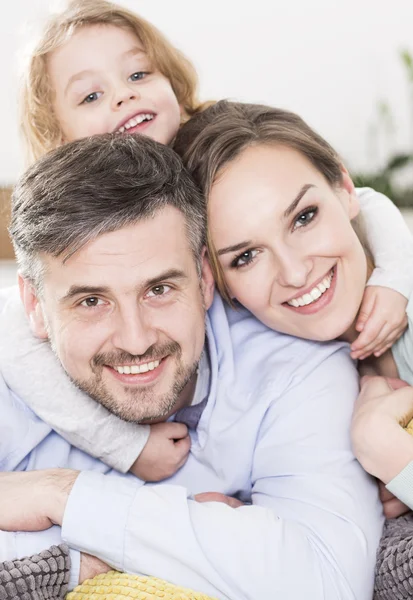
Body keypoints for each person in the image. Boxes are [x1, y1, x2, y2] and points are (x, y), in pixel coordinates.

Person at [3, 0, 413, 481]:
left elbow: (362, 199)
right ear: (59, 144)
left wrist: (395, 278)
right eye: (90, 97)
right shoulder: (75, 237)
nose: (122, 97)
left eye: (138, 75)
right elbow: (15, 333)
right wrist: (123, 446)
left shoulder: (217, 162)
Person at [0, 133, 383, 599]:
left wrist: (61, 495)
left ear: (204, 277)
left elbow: (328, 584)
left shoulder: (299, 371)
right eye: (91, 301)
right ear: (34, 306)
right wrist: (173, 537)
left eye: (159, 289)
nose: (136, 339)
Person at [173, 99, 413, 511]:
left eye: (304, 217)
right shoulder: (276, 381)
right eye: (245, 257)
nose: (295, 273)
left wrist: (383, 445)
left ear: (346, 189)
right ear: (214, 280)